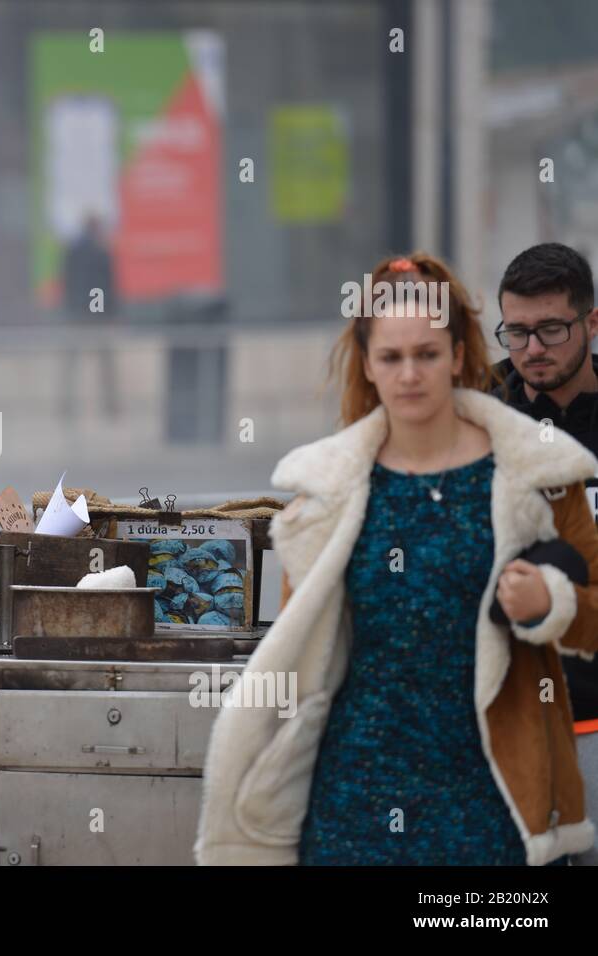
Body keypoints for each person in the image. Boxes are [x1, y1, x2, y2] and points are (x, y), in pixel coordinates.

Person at [195, 252, 598, 865]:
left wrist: (552, 602)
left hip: (492, 797)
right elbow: (298, 656)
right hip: (353, 800)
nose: (410, 374)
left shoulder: (539, 472)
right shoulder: (329, 494)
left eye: (428, 355)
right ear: (369, 365)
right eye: (391, 357)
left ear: (458, 357)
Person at [489, 241, 598, 864]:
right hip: (502, 722)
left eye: (551, 329)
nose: (532, 349)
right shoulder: (473, 419)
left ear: (590, 323)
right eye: (517, 331)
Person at [59, 212, 120, 418]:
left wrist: (73, 307)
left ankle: (66, 408)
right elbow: (104, 287)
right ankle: (110, 407)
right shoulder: (101, 252)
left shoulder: (73, 251)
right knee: (105, 365)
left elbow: (67, 283)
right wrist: (102, 310)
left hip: (77, 314)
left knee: (70, 364)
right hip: (96, 315)